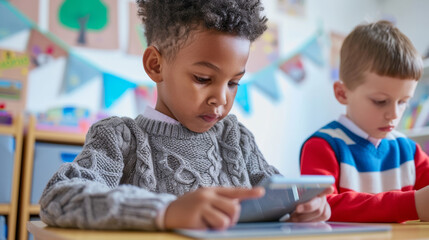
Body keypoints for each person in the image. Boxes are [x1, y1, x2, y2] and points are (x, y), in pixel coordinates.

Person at [39, 0, 332, 231]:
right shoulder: (119, 138)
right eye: (203, 78)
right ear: (155, 65)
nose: (221, 98)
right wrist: (165, 211)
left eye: (233, 83)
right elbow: (59, 198)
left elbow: (280, 197)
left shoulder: (237, 140)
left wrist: (304, 207)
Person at [300, 20, 429, 223]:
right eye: (380, 101)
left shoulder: (409, 151)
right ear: (342, 94)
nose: (394, 114)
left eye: (404, 102)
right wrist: (411, 204)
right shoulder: (322, 146)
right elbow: (323, 208)